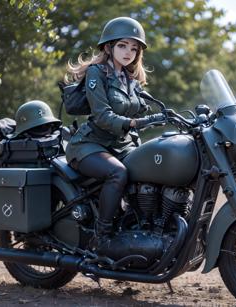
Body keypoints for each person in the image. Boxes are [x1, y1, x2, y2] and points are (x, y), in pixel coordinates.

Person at [64, 17, 165, 254]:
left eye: (134, 48)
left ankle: (139, 229)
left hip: (121, 145)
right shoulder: (96, 73)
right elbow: (102, 116)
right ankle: (103, 237)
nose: (128, 52)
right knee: (117, 173)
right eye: (122, 45)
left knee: (152, 169)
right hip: (90, 145)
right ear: (108, 47)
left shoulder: (131, 80)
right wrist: (132, 122)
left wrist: (164, 114)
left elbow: (144, 106)